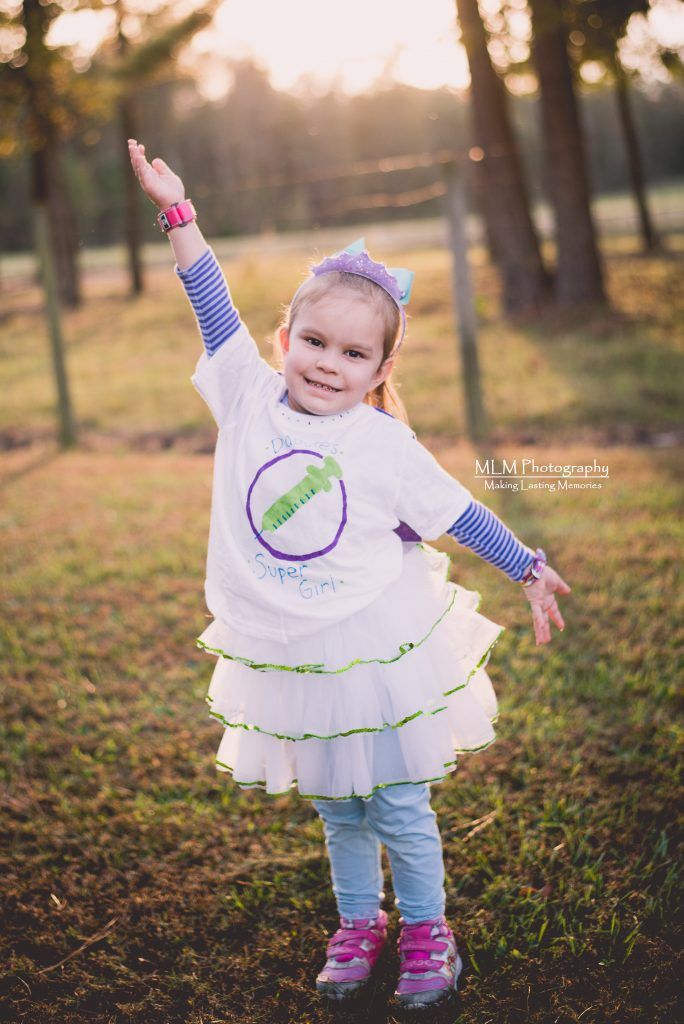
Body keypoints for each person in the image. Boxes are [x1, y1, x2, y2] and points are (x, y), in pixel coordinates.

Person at [128, 139, 571, 1012]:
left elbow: (456, 513)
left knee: (399, 804)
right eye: (315, 342)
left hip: (375, 643)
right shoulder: (247, 395)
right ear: (285, 340)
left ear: (380, 371)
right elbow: (209, 303)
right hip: (291, 649)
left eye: (354, 355)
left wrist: (527, 566)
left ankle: (426, 931)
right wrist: (178, 212)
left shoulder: (382, 444)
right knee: (337, 806)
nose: (329, 363)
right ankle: (359, 921)